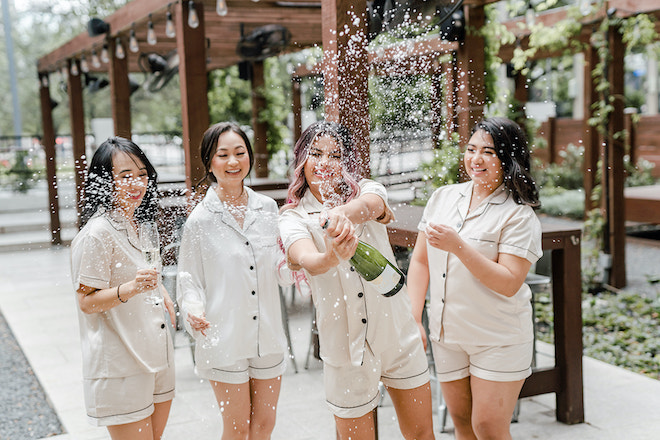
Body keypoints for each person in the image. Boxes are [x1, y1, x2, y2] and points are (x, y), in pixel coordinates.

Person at [278, 121, 435, 440]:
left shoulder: (368, 190)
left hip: (397, 332)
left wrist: (340, 216)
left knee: (422, 435)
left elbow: (371, 206)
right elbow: (308, 259)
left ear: (345, 161)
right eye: (316, 153)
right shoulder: (292, 218)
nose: (325, 162)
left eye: (335, 155)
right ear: (301, 161)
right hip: (344, 349)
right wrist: (332, 256)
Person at [407, 117, 542, 440]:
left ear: (508, 159)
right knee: (462, 423)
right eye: (471, 149)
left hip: (497, 336)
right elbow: (421, 261)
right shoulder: (443, 197)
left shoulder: (518, 214)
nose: (476, 159)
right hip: (447, 333)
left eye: (489, 152)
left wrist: (459, 247)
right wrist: (414, 318)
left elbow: (509, 282)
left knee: (489, 427)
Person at [176, 122, 292, 440]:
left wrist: (297, 263)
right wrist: (193, 311)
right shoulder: (199, 221)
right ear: (209, 163)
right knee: (238, 429)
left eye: (240, 153)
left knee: (264, 425)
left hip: (267, 334)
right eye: (222, 154)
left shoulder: (268, 210)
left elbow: (281, 273)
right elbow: (188, 281)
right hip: (224, 336)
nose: (232, 162)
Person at [70, 137, 177, 440]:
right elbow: (86, 302)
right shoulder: (97, 233)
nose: (136, 183)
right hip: (120, 364)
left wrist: (163, 293)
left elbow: (146, 276)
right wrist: (130, 288)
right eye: (125, 176)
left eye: (142, 174)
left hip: (155, 355)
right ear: (105, 181)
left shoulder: (140, 224)